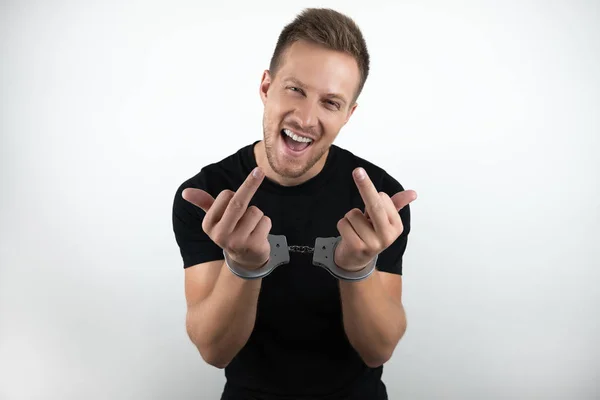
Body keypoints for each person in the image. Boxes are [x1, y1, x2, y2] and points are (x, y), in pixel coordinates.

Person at [172, 8, 417, 400]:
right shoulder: (208, 196)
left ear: (348, 115)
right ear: (266, 87)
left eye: (331, 103)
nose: (305, 117)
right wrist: (243, 268)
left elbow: (378, 350)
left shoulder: (380, 202)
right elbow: (214, 351)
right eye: (295, 89)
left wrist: (356, 270)